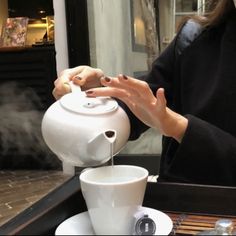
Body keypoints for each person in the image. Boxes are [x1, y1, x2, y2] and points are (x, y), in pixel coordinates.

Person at [53, 0, 236, 186]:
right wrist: (96, 98)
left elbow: (160, 116)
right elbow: (141, 107)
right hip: (180, 197)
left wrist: (177, 126)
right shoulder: (195, 36)